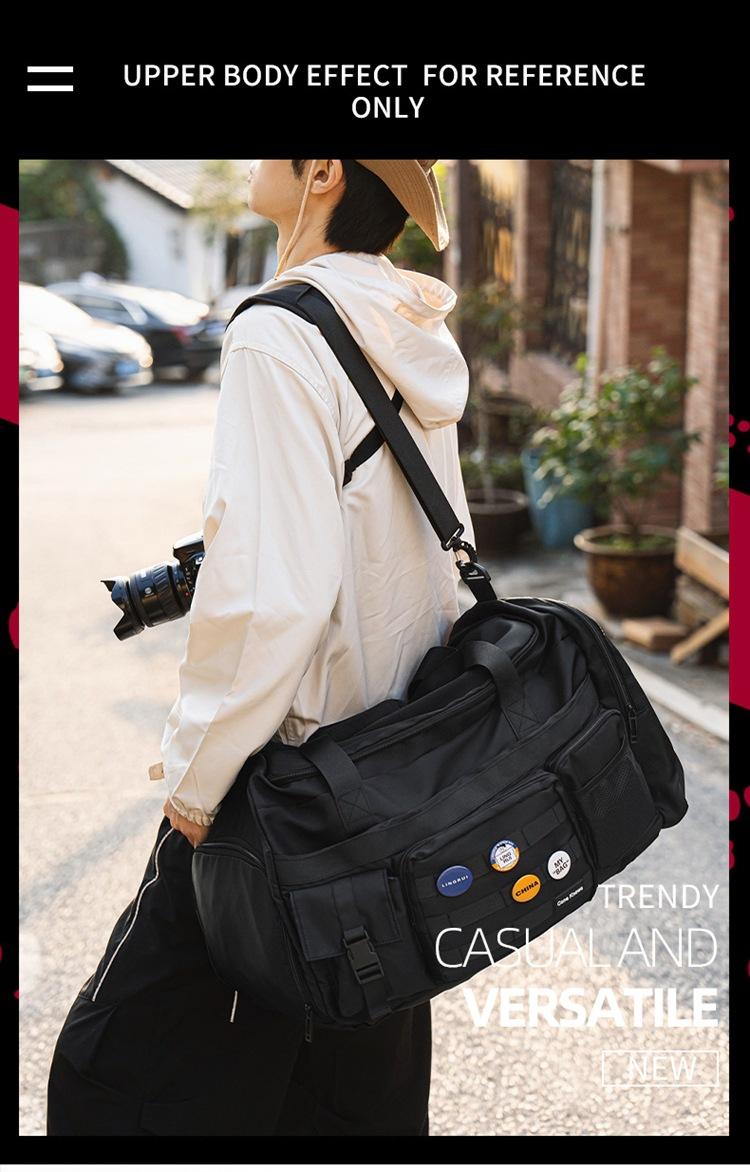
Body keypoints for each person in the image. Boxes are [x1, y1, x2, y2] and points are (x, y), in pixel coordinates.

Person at [46, 159, 475, 1136]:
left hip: (280, 785)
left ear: (322, 171)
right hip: (386, 778)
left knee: (113, 1081)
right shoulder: (407, 324)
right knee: (352, 1092)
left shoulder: (279, 329)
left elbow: (275, 594)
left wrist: (196, 784)